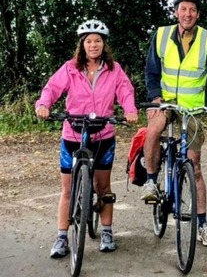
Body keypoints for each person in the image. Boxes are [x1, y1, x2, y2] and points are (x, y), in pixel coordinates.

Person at [35, 19, 139, 258]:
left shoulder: (114, 69)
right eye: (89, 41)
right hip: (73, 133)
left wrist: (130, 109)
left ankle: (106, 231)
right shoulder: (70, 68)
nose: (94, 45)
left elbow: (125, 90)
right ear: (82, 45)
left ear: (104, 44)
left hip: (103, 134)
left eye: (98, 41)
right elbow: (52, 88)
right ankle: (61, 237)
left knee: (103, 186)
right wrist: (43, 104)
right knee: (68, 189)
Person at [141, 0, 207, 247]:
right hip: (166, 103)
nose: (187, 13)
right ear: (176, 11)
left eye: (192, 9)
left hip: (191, 108)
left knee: (195, 166)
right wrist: (155, 96)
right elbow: (151, 71)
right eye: (183, 8)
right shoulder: (161, 35)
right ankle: (150, 181)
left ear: (198, 14)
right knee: (154, 128)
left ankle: (202, 225)